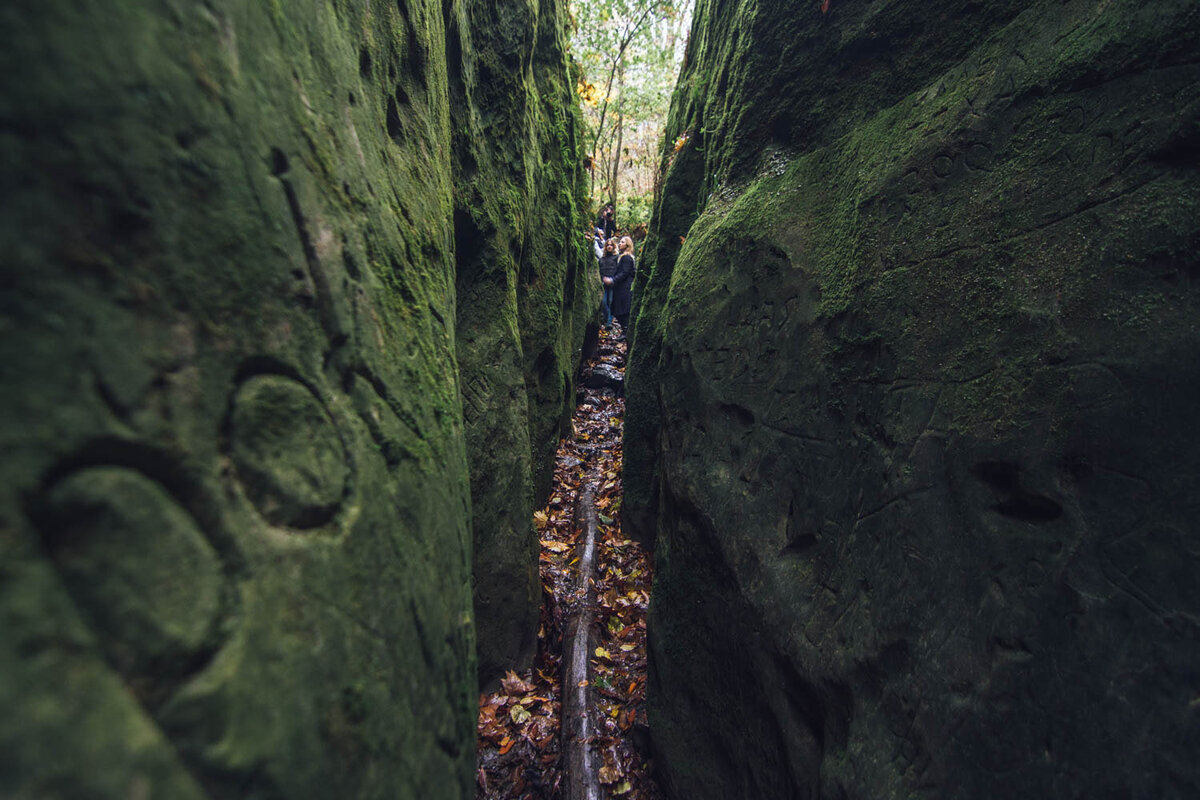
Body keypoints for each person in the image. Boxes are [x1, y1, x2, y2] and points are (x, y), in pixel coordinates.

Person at [610, 236, 636, 335]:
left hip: (624, 287)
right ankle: (625, 330)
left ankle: (626, 331)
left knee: (622, 310)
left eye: (622, 242)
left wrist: (612, 280)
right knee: (619, 310)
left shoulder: (627, 257)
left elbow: (625, 272)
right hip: (622, 287)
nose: (619, 243)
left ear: (627, 245)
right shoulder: (624, 257)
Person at [597, 237, 619, 328]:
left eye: (611, 245)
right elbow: (599, 270)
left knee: (611, 302)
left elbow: (619, 270)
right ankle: (607, 319)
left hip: (613, 283)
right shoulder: (602, 259)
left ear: (614, 247)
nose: (609, 247)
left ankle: (609, 322)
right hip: (603, 283)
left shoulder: (616, 258)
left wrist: (614, 280)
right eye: (608, 245)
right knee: (604, 302)